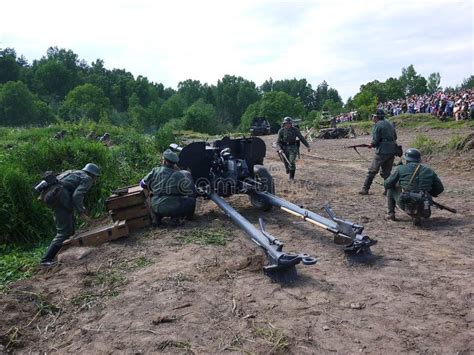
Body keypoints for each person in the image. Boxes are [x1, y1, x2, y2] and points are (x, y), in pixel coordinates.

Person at [40, 163, 100, 267]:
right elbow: (77, 195)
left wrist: (80, 209)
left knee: (69, 229)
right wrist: (81, 212)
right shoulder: (87, 178)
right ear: (93, 175)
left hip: (54, 197)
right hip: (60, 199)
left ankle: (66, 251)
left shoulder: (73, 171)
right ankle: (46, 260)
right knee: (64, 232)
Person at [384, 148, 444, 225]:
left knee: (391, 188)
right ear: (419, 159)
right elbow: (439, 189)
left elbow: (387, 184)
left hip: (406, 203)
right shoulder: (428, 170)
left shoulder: (401, 168)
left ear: (406, 159)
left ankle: (390, 213)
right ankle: (417, 215)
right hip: (425, 205)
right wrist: (428, 193)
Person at [140, 149, 196, 226]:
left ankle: (157, 218)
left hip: (155, 206)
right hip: (172, 208)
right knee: (190, 200)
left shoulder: (155, 171)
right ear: (175, 163)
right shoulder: (179, 175)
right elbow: (185, 192)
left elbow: (142, 184)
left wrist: (150, 193)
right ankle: (176, 218)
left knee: (155, 200)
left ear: (165, 161)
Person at [359, 109, 398, 195]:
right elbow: (395, 137)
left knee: (372, 171)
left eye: (373, 116)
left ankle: (365, 189)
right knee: (386, 172)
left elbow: (375, 140)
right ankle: (388, 190)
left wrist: (371, 145)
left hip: (382, 151)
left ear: (376, 117)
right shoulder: (390, 123)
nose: (372, 118)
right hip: (392, 150)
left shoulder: (377, 125)